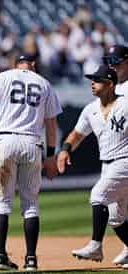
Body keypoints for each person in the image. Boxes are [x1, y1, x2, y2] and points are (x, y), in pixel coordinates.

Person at [0, 54, 62, 271]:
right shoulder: (44, 83)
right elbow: (51, 125)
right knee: (30, 203)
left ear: (15, 65)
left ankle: (0, 257)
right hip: (32, 142)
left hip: (4, 141)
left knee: (2, 201)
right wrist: (51, 155)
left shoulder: (2, 78)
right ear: (33, 65)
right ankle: (31, 259)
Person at [57, 65, 128, 269]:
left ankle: (96, 246)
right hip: (107, 165)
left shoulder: (125, 104)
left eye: (97, 80)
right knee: (116, 217)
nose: (92, 83)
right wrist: (65, 150)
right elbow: (77, 134)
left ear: (110, 84)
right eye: (92, 79)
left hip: (124, 160)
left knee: (98, 195)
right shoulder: (91, 109)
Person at [102, 45, 128, 267]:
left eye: (116, 61)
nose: (112, 65)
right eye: (108, 61)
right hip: (114, 156)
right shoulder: (111, 88)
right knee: (116, 213)